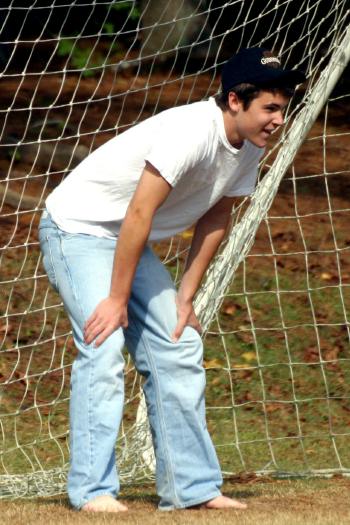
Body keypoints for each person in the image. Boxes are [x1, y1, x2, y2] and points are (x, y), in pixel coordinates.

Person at [38, 47, 305, 513]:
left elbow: (218, 215)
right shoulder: (190, 132)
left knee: (178, 342)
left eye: (283, 108)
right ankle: (93, 492)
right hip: (78, 229)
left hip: (126, 241)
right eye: (271, 107)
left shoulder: (249, 147)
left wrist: (185, 296)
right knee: (102, 345)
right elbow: (140, 211)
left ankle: (192, 489)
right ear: (236, 101)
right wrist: (117, 299)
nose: (278, 119)